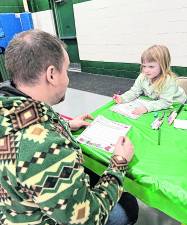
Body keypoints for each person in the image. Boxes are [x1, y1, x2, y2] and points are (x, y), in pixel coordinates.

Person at [0, 30, 138, 225]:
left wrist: (65, 125)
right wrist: (119, 163)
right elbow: (89, 219)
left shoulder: (10, 105)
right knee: (128, 206)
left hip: (13, 209)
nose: (68, 78)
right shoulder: (44, 149)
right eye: (66, 70)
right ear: (52, 74)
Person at [113, 45, 186, 115]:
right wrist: (122, 98)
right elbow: (134, 91)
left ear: (163, 66)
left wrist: (146, 108)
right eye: (144, 66)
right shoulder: (143, 76)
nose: (146, 70)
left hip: (176, 103)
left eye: (151, 66)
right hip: (157, 101)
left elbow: (165, 102)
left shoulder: (168, 80)